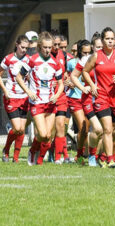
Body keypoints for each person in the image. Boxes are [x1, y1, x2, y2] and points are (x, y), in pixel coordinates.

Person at [82, 27, 115, 168]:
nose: (110, 42)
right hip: (101, 97)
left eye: (112, 39)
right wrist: (92, 85)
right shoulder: (97, 56)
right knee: (108, 129)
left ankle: (103, 157)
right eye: (107, 39)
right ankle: (110, 160)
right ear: (102, 41)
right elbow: (85, 71)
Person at [16, 31, 64, 166]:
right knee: (42, 134)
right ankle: (32, 150)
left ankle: (40, 160)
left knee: (48, 136)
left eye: (50, 47)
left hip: (50, 102)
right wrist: (28, 91)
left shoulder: (55, 63)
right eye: (45, 47)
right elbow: (19, 77)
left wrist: (56, 95)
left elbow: (61, 83)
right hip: (36, 102)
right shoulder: (32, 60)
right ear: (39, 47)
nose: (48, 50)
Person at [0, 35, 30, 163]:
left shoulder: (29, 60)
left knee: (22, 129)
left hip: (24, 97)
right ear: (16, 45)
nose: (24, 50)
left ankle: (15, 158)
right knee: (17, 128)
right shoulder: (8, 59)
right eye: (22, 47)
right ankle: (6, 149)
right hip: (11, 97)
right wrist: (5, 91)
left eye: (26, 48)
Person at [70, 39, 103, 167]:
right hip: (88, 99)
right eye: (98, 46)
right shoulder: (86, 60)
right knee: (88, 129)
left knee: (105, 131)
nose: (99, 49)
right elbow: (74, 75)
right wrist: (84, 87)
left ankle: (98, 156)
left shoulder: (109, 59)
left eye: (102, 46)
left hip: (104, 99)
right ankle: (83, 155)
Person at [66, 40, 91, 165]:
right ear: (79, 51)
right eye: (84, 52)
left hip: (88, 98)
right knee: (82, 126)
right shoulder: (72, 63)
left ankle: (85, 153)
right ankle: (80, 154)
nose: (87, 55)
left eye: (89, 52)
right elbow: (65, 77)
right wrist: (68, 82)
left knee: (86, 128)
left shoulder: (92, 61)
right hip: (75, 98)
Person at [50, 32, 72, 164]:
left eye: (59, 45)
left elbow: (66, 74)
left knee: (61, 126)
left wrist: (67, 79)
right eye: (55, 45)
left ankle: (60, 156)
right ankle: (42, 151)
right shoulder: (41, 58)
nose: (57, 47)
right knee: (47, 132)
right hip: (46, 97)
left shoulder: (63, 56)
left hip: (61, 95)